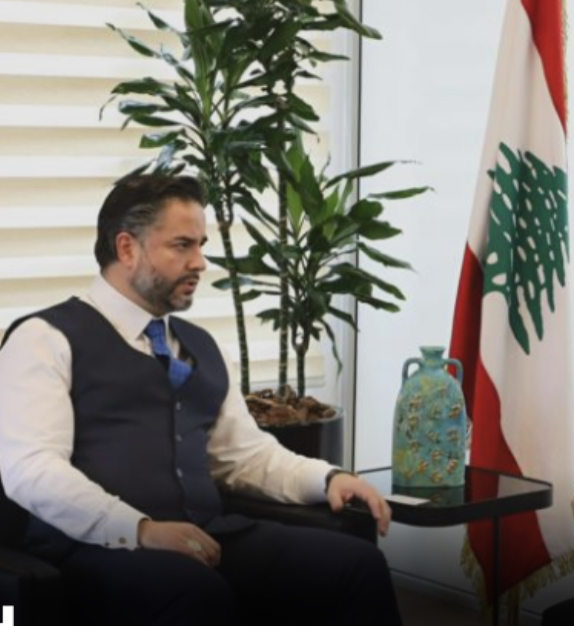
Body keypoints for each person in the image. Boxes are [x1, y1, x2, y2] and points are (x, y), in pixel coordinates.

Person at [0, 174, 404, 625]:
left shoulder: (202, 346)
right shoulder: (44, 338)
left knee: (355, 566)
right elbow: (32, 470)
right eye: (182, 245)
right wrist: (139, 529)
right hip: (93, 550)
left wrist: (326, 477)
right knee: (194, 594)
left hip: (208, 535)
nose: (200, 262)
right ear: (127, 248)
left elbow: (243, 457)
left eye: (201, 245)